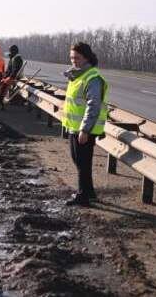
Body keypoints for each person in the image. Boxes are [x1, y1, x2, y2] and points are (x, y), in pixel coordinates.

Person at [62, 42, 109, 206]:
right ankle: (89, 193)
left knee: (82, 162)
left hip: (85, 128)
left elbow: (93, 105)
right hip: (75, 127)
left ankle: (83, 196)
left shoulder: (92, 77)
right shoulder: (77, 75)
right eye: (71, 58)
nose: (73, 61)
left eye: (77, 58)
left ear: (86, 58)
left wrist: (85, 130)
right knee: (79, 161)